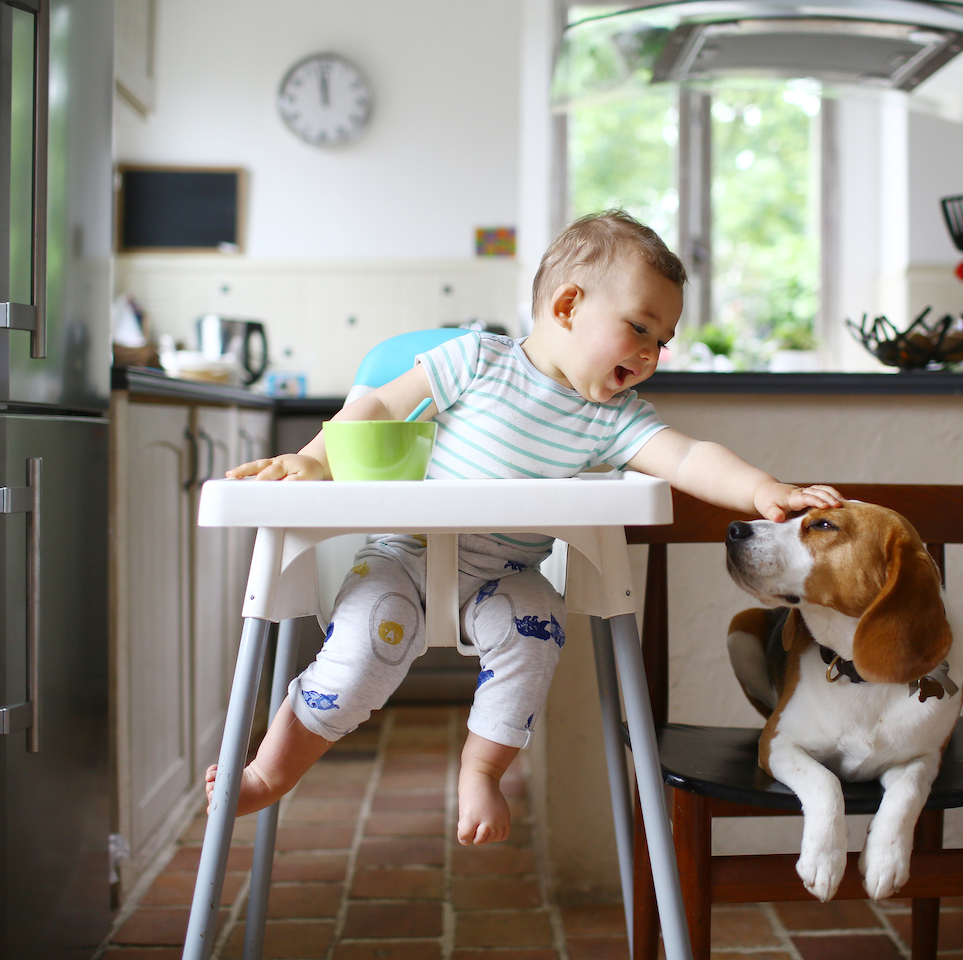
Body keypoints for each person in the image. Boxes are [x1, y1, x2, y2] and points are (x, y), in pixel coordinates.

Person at [211, 210, 842, 845]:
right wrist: (314, 460)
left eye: (663, 340)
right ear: (568, 304)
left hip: (504, 577)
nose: (653, 354)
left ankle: (483, 768)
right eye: (641, 329)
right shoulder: (475, 359)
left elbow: (685, 456)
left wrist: (766, 489)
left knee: (536, 626)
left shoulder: (612, 418)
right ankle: (269, 772)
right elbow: (377, 406)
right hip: (403, 555)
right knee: (356, 660)